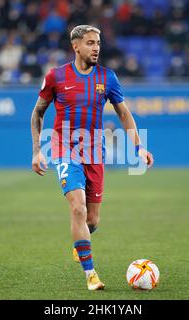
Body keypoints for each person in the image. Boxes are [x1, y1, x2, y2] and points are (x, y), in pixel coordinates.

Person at [30, 25, 153, 291]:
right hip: (65, 149)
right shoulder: (56, 76)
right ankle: (91, 274)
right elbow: (38, 113)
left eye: (98, 43)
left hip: (94, 152)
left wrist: (138, 147)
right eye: (89, 43)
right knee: (78, 207)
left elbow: (123, 113)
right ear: (75, 46)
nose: (96, 47)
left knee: (92, 220)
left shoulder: (107, 78)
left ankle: (80, 242)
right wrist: (37, 150)